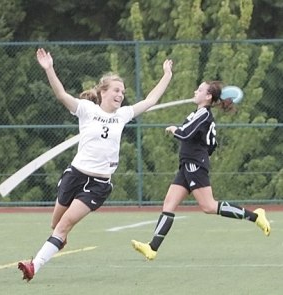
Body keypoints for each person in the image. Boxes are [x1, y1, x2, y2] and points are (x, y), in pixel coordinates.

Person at [18, 48, 173, 281]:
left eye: (123, 91)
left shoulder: (123, 115)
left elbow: (151, 100)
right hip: (74, 175)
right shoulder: (87, 110)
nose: (121, 94)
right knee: (56, 224)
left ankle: (34, 266)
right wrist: (49, 68)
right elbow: (61, 94)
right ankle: (59, 238)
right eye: (116, 90)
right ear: (103, 91)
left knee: (64, 225)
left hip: (98, 184)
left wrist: (167, 74)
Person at [131, 80, 271, 260]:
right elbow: (211, 144)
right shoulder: (199, 113)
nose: (195, 91)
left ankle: (256, 216)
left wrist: (175, 129)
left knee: (209, 206)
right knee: (169, 204)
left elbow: (185, 133)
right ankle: (152, 248)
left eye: (199, 89)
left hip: (194, 164)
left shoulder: (203, 114)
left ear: (208, 96)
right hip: (187, 164)